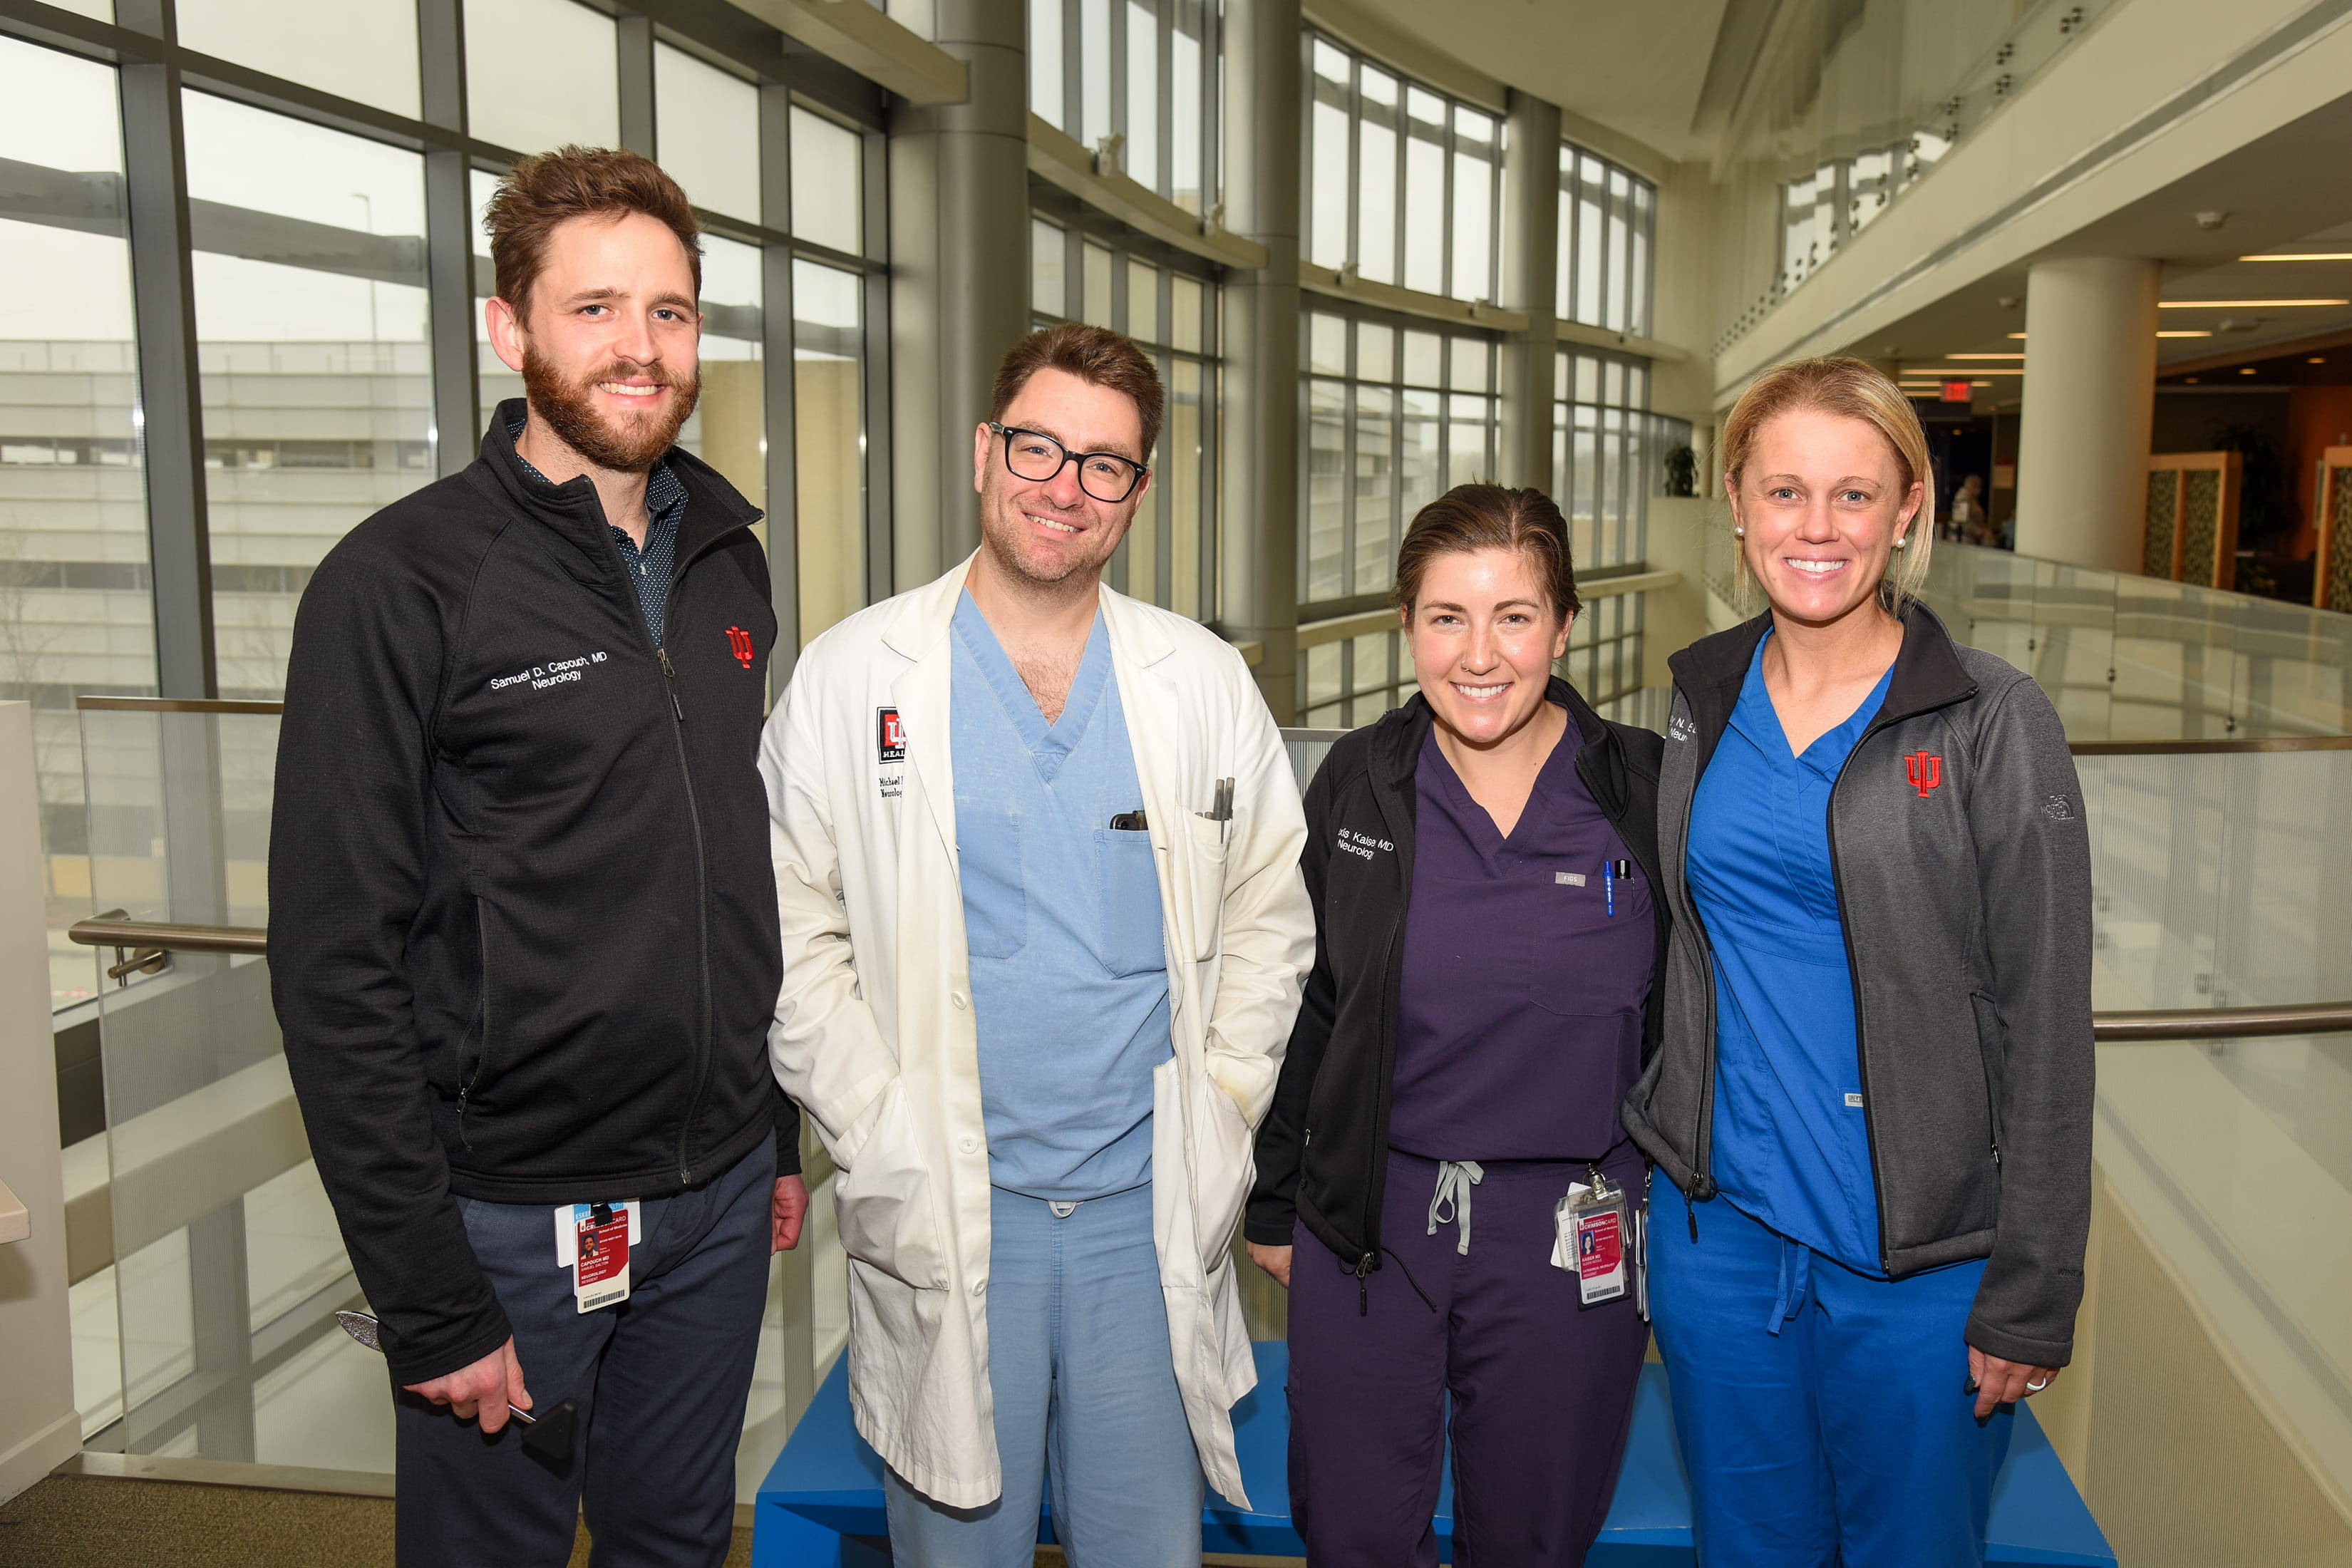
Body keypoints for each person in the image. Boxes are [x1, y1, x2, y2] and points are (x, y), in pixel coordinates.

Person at [269, 147, 806, 1568]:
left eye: (673, 311)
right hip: (514, 1210)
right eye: (596, 308)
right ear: (511, 331)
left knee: (679, 1537)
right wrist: (427, 1286)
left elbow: (732, 867)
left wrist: (779, 1131)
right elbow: (334, 963)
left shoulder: (730, 560)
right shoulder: (399, 584)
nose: (641, 346)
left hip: (713, 1190)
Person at [763, 323, 1314, 1566]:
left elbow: (1272, 912)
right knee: (960, 1543)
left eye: (1104, 463)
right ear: (982, 451)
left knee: (1145, 1543)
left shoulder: (1202, 681)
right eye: (1038, 446)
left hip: (1145, 1211)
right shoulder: (857, 677)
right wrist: (876, 1123)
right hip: (956, 1205)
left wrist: (1225, 1099)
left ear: (1138, 492)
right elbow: (794, 932)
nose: (1064, 486)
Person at [1623, 356, 2093, 1568]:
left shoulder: (1990, 718)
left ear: (1908, 510)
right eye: (1785, 492)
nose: (1816, 528)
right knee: (1749, 1549)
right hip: (1721, 1245)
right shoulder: (1700, 699)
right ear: (1736, 504)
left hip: (1923, 1265)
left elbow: (2048, 1021)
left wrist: (2033, 1289)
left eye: (1853, 494)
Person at [1247, 485, 1666, 1566]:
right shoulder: (1360, 785)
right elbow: (1314, 1001)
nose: (1480, 655)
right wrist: (1275, 1200)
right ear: (1408, 626)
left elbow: (1692, 1018)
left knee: (1533, 1540)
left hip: (1572, 1238)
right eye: (1447, 618)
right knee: (1351, 1537)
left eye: (1514, 616)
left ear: (1564, 625)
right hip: (1373, 1226)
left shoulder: (1642, 793)